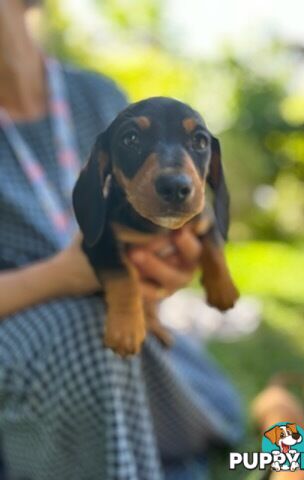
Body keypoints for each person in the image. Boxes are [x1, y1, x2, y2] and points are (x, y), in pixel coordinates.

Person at [0, 1, 242, 479]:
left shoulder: (98, 97)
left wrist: (171, 269)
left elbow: (173, 212)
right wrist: (64, 275)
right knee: (90, 332)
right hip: (23, 331)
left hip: (126, 317)